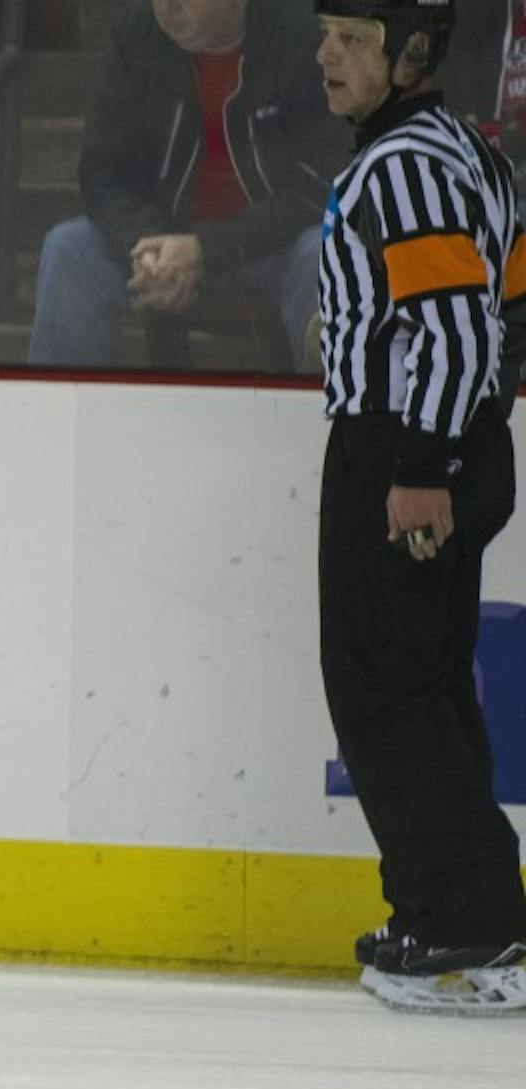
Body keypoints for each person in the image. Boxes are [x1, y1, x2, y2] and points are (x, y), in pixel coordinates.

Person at [314, 0, 526, 1015]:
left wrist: (419, 463)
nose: (326, 56)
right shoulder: (467, 153)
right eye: (324, 34)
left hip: (403, 453)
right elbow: (513, 299)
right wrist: (470, 430)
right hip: (450, 441)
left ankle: (469, 921)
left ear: (409, 56)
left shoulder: (401, 167)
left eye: (351, 40)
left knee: (383, 692)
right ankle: (454, 910)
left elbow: (442, 326)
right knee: (425, 687)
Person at [28, 0, 347, 370]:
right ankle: (54, 420)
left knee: (326, 252)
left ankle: (334, 419)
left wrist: (205, 249)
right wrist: (148, 249)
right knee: (69, 249)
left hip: (271, 245)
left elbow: (327, 184)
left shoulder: (304, 38)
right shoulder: (137, 37)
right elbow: (105, 172)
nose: (168, 6)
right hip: (164, 241)